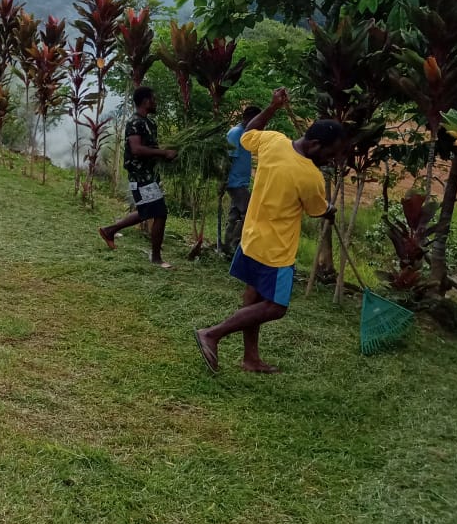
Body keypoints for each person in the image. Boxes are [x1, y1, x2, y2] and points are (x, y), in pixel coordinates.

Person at [195, 88, 345, 375]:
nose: (333, 160)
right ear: (314, 146)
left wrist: (273, 107)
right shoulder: (311, 176)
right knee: (275, 307)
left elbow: (249, 133)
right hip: (276, 250)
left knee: (253, 298)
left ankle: (250, 358)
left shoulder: (274, 141)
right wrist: (329, 210)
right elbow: (317, 209)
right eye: (332, 154)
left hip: (251, 238)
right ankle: (212, 334)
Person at [97, 86, 178, 268]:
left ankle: (109, 230)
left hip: (150, 174)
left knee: (145, 211)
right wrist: (164, 153)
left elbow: (150, 149)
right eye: (153, 99)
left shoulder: (150, 123)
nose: (155, 102)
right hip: (141, 176)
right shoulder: (135, 122)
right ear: (146, 101)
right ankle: (156, 258)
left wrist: (165, 156)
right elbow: (136, 149)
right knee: (160, 213)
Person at [223, 105, 263, 254]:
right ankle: (235, 245)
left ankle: (228, 246)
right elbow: (228, 159)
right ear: (249, 119)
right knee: (248, 212)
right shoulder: (236, 133)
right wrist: (223, 181)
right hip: (234, 183)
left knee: (235, 214)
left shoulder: (246, 134)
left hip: (241, 182)